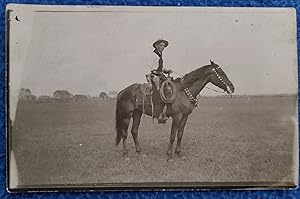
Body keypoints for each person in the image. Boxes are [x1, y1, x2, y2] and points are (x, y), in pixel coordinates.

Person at [146, 39, 172, 123]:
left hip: (159, 75)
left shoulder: (159, 55)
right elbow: (149, 68)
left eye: (164, 46)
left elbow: (158, 67)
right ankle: (158, 113)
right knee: (159, 91)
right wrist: (149, 81)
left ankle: (166, 110)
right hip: (154, 77)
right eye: (161, 45)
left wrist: (165, 70)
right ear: (156, 46)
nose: (163, 47)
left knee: (170, 87)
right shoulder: (153, 55)